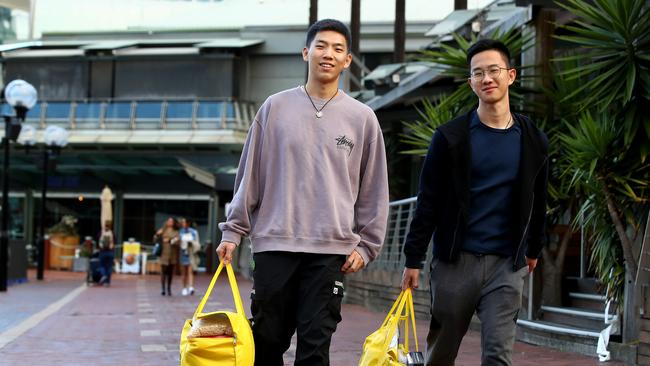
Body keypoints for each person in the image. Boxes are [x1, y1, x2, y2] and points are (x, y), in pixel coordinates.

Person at [216, 18, 389, 366]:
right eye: (321, 46)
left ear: (348, 60)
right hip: (275, 244)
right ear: (306, 52)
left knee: (315, 347)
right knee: (266, 342)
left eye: (338, 49)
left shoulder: (362, 118)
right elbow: (251, 174)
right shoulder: (274, 108)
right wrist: (234, 231)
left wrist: (368, 245)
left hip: (330, 251)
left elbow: (373, 187)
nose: (329, 54)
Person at [400, 39, 548, 366]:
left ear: (510, 75)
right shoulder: (450, 137)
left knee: (498, 354)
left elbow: (539, 197)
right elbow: (429, 201)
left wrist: (534, 247)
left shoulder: (533, 138)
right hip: (455, 263)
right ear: (471, 83)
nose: (487, 78)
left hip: (506, 265)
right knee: (441, 354)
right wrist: (413, 258)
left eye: (493, 70)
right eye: (478, 73)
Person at [154, 217, 180, 296]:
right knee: (163, 272)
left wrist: (169, 240)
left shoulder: (176, 232)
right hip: (163, 254)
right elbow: (155, 240)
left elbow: (178, 242)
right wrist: (157, 234)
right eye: (169, 221)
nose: (170, 222)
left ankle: (169, 288)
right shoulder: (162, 230)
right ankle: (163, 289)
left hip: (172, 254)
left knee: (170, 273)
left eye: (171, 221)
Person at [179, 218, 200, 296]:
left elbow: (197, 243)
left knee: (190, 271)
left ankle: (191, 287)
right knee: (184, 272)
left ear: (188, 223)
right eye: (182, 222)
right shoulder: (180, 232)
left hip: (191, 253)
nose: (183, 223)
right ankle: (184, 288)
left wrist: (191, 242)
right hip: (183, 254)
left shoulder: (193, 232)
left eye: (184, 222)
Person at [97, 220, 115, 287]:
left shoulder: (101, 232)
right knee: (109, 267)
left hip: (103, 251)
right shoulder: (112, 232)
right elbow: (115, 241)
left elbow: (97, 239)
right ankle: (107, 282)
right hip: (110, 252)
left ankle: (104, 275)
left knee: (102, 265)